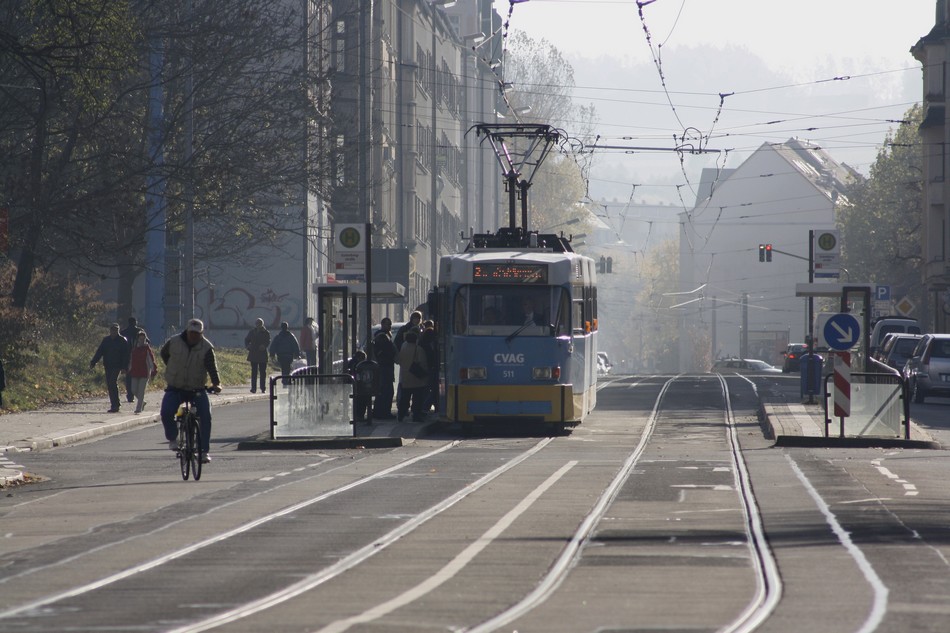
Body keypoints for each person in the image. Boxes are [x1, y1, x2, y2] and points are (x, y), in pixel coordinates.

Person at [159, 318, 221, 464]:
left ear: (202, 333)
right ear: (187, 331)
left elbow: (212, 368)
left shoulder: (206, 347)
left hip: (197, 388)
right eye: (191, 333)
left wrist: (217, 384)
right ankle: (173, 438)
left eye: (197, 334)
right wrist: (173, 368)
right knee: (166, 412)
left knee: (206, 416)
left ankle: (204, 451)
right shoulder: (173, 342)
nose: (194, 336)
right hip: (176, 387)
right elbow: (164, 354)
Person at [90, 323, 130, 413]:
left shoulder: (122, 340)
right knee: (110, 384)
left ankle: (116, 405)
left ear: (118, 330)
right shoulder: (106, 340)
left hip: (117, 366)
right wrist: (94, 361)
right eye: (112, 330)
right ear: (110, 331)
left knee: (112, 382)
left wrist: (124, 367)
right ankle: (114, 404)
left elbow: (126, 355)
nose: (114, 331)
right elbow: (100, 352)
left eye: (115, 330)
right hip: (108, 365)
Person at [396, 330, 428, 422]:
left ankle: (401, 414)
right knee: (417, 399)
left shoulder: (403, 347)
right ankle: (416, 416)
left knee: (405, 398)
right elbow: (423, 363)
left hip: (405, 378)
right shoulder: (418, 349)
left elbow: (399, 360)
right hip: (416, 378)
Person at [371, 317, 398, 419]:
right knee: (386, 391)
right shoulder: (382, 337)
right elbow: (387, 352)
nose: (389, 326)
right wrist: (392, 353)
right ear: (382, 325)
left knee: (384, 391)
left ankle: (380, 412)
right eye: (387, 324)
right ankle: (383, 412)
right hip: (384, 367)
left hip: (385, 367)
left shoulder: (384, 336)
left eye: (390, 324)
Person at [127, 331, 157, 413]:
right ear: (138, 339)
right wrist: (129, 369)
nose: (142, 340)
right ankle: (142, 402)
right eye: (140, 338)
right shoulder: (135, 349)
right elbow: (131, 360)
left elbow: (151, 360)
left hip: (145, 373)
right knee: (133, 390)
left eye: (143, 338)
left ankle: (138, 408)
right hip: (135, 372)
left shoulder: (147, 349)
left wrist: (153, 371)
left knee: (141, 391)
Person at [120, 317, 145, 403]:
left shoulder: (123, 332)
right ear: (135, 322)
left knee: (129, 377)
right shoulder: (140, 331)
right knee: (137, 375)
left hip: (127, 357)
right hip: (138, 357)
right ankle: (135, 393)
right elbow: (146, 342)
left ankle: (130, 395)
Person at [244, 318, 271, 393]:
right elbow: (246, 340)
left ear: (262, 324)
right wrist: (248, 346)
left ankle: (263, 388)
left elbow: (268, 341)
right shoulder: (252, 332)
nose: (258, 325)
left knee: (263, 372)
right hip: (253, 354)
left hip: (262, 354)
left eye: (259, 323)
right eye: (257, 323)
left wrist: (264, 346)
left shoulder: (266, 332)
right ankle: (253, 388)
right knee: (254, 372)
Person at [419, 322, 439, 413]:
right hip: (431, 368)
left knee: (430, 388)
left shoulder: (422, 344)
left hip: (427, 368)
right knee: (434, 389)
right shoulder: (430, 346)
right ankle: (426, 406)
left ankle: (428, 406)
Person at [346, 350, 371, 421]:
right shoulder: (358, 365)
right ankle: (360, 416)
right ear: (360, 358)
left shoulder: (351, 363)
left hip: (351, 385)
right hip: (357, 386)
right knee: (362, 399)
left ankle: (358, 415)